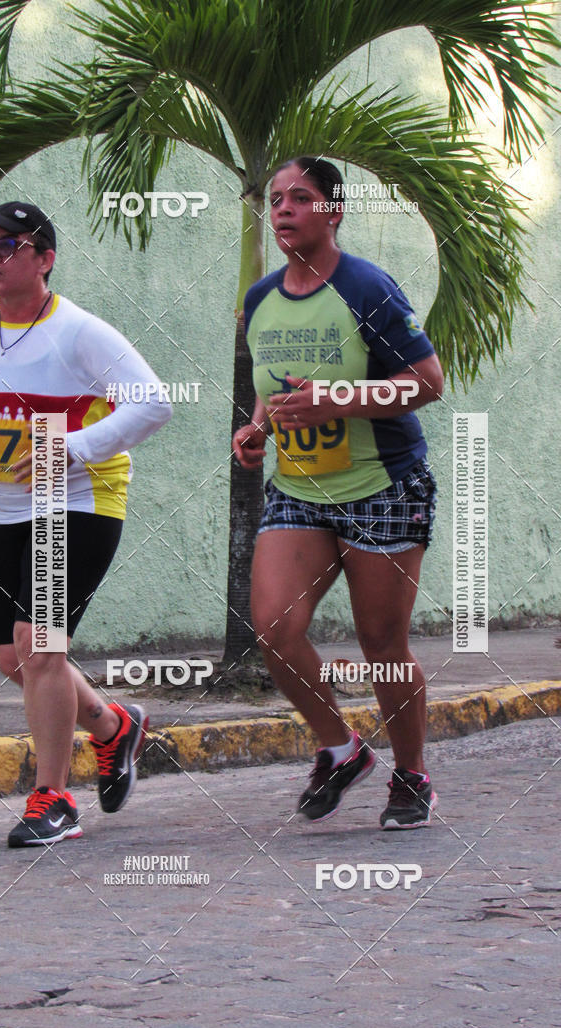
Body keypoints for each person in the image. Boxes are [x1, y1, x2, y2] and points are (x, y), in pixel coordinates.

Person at [232, 158, 444, 829]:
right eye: (276, 199)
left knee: (382, 643)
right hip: (299, 488)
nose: (284, 209)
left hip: (381, 484)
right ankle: (341, 747)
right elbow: (275, 386)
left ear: (333, 211)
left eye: (301, 197)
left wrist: (338, 400)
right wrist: (258, 427)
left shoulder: (366, 287)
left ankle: (411, 774)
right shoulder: (260, 299)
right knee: (274, 626)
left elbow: (428, 381)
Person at [0, 201, 171, 847]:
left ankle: (52, 798)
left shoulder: (80, 332)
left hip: (76, 501)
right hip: (0, 506)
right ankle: (112, 726)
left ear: (45, 258)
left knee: (39, 645)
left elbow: (153, 402)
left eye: (8, 245)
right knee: (12, 657)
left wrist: (73, 447)